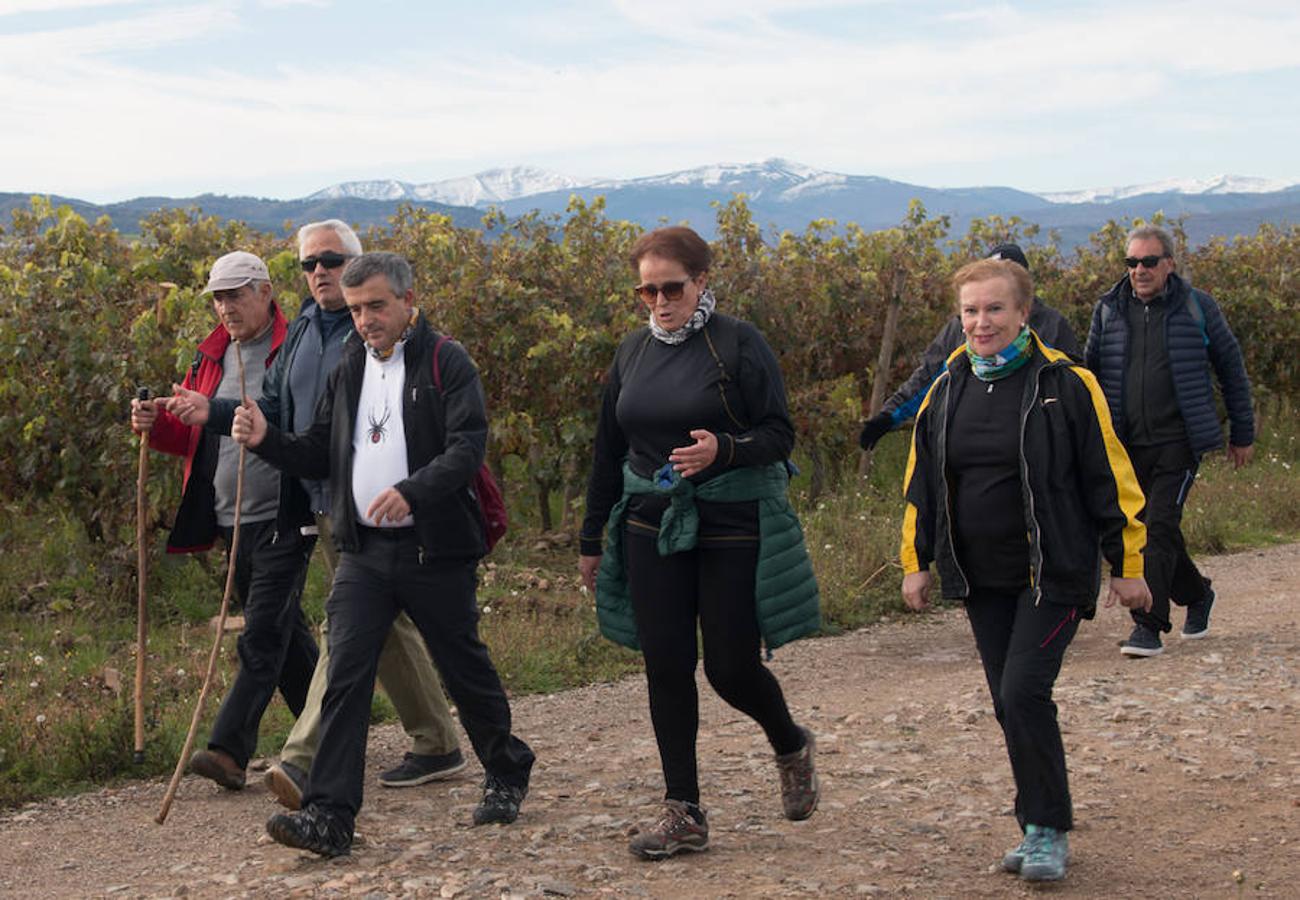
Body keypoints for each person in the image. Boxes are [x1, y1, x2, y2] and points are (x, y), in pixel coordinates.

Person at [231, 252, 534, 857]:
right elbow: (321, 450)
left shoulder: (446, 359)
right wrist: (268, 442)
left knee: (464, 668)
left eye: (376, 305)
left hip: (435, 551)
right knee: (345, 674)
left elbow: (467, 447)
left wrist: (411, 491)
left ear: (406, 301)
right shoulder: (351, 364)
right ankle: (330, 817)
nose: (366, 319)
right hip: (364, 551)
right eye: (357, 308)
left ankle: (506, 768)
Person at [167, 220, 464, 809]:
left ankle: (303, 759)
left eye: (331, 260)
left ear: (358, 266)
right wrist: (218, 409)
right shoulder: (304, 329)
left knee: (349, 623)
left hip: (377, 503)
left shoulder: (372, 335)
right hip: (322, 500)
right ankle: (437, 744)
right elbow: (274, 406)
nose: (320, 272)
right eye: (309, 264)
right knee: (384, 626)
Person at [899, 258, 1152, 883]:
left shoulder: (1065, 384)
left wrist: (1127, 564)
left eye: (994, 309)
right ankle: (1039, 817)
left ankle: (1046, 828)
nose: (981, 323)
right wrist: (916, 562)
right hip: (980, 576)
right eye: (970, 311)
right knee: (1007, 703)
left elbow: (1109, 478)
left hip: (1055, 572)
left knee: (1023, 691)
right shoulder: (947, 386)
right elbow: (922, 485)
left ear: (1023, 313)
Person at [578, 226, 821, 861]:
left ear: (702, 281)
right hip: (647, 522)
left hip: (729, 519)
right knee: (665, 664)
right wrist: (589, 537)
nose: (659, 301)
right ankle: (683, 809)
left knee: (730, 667)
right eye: (647, 290)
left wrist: (725, 451)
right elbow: (609, 449)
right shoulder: (632, 352)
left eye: (672, 287)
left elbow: (779, 434)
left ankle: (789, 741)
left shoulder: (738, 344)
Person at [130, 251, 317, 790]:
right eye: (218, 296)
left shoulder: (294, 346)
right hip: (231, 515)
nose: (225, 306)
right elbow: (194, 433)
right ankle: (329, 726)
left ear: (265, 291)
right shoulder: (211, 356)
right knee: (285, 632)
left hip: (287, 511)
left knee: (260, 636)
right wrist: (156, 422)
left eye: (235, 294)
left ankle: (228, 750)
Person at [1085, 225, 1255, 658]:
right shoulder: (1108, 310)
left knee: (1156, 527)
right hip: (1125, 444)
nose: (1139, 270)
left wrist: (1243, 433)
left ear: (1169, 264)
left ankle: (1149, 625)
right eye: (1132, 262)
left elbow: (1231, 369)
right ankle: (1197, 594)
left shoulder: (1198, 308)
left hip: (1179, 441)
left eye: (1148, 261)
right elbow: (1088, 376)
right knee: (1153, 527)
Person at [858, 243, 1082, 451]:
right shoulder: (959, 328)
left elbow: (1076, 395)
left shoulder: (1052, 326)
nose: (982, 322)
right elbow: (929, 377)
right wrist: (888, 417)